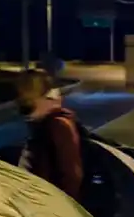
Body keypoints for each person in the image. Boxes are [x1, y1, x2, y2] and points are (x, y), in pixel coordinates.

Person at [16, 69, 84, 201]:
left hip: (51, 205)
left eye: (29, 100)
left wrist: (58, 205)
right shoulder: (42, 124)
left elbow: (72, 175)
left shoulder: (58, 126)